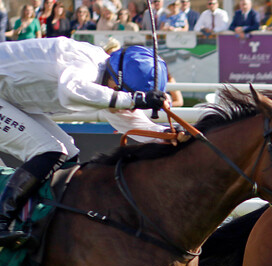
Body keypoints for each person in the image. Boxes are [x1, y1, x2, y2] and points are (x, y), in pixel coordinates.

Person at [0, 40, 173, 247]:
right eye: (123, 91)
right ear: (116, 78)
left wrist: (167, 134)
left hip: (9, 99)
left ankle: (40, 224)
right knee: (51, 151)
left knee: (68, 154)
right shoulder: (85, 62)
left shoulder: (106, 72)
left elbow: (124, 117)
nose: (124, 98)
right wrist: (134, 99)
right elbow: (72, 90)